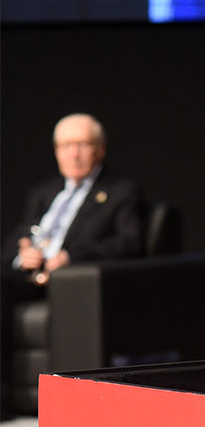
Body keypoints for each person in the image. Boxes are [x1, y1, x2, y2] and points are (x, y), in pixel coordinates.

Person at [1, 113, 144, 417]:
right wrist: (21, 252)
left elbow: (130, 244)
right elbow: (18, 235)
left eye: (81, 144)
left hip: (71, 283)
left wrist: (70, 257)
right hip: (27, 278)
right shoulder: (44, 192)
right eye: (65, 145)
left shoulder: (120, 192)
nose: (73, 153)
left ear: (100, 149)